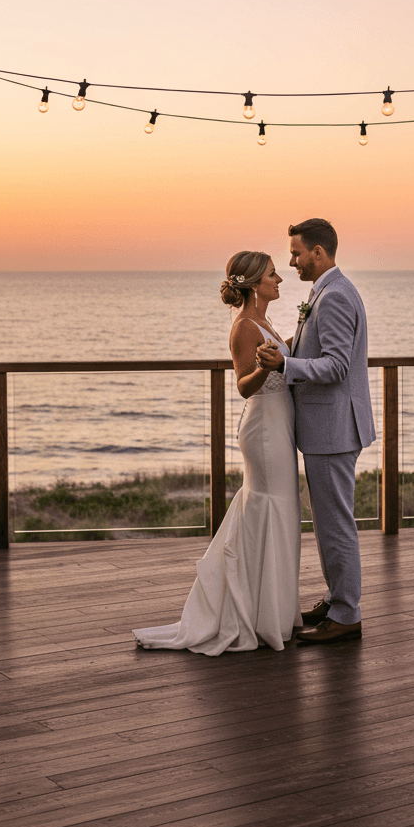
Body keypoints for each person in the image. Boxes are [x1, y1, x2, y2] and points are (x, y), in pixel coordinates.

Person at [132, 251, 301, 655]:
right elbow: (245, 385)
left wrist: (293, 344)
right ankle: (254, 615)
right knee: (269, 508)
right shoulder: (244, 326)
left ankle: (270, 610)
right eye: (273, 274)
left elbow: (279, 355)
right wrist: (269, 367)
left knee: (281, 509)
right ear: (256, 283)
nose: (280, 279)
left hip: (278, 425)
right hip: (263, 430)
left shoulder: (263, 321)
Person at [257, 218, 375, 644]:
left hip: (334, 428)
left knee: (335, 524)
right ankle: (336, 598)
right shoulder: (325, 292)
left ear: (319, 253)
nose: (291, 262)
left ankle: (346, 614)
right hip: (329, 427)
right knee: (328, 522)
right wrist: (290, 346)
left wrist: (285, 365)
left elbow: (338, 366)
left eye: (296, 253)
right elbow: (320, 350)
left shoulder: (336, 296)